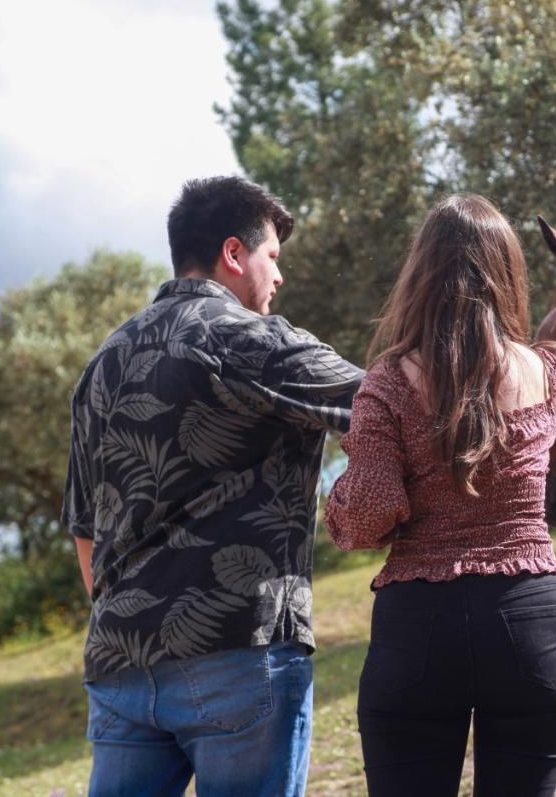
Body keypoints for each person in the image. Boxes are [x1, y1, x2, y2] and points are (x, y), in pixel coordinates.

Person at [61, 176, 363, 797]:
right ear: (233, 254)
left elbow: (84, 528)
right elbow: (394, 403)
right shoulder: (251, 340)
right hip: (238, 651)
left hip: (120, 664)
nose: (278, 278)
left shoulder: (103, 363)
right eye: (272, 257)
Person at [325, 193, 556, 796]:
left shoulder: (386, 383)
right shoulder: (546, 372)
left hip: (419, 632)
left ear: (419, 276)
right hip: (533, 620)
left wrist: (337, 504)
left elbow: (369, 515)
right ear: (507, 275)